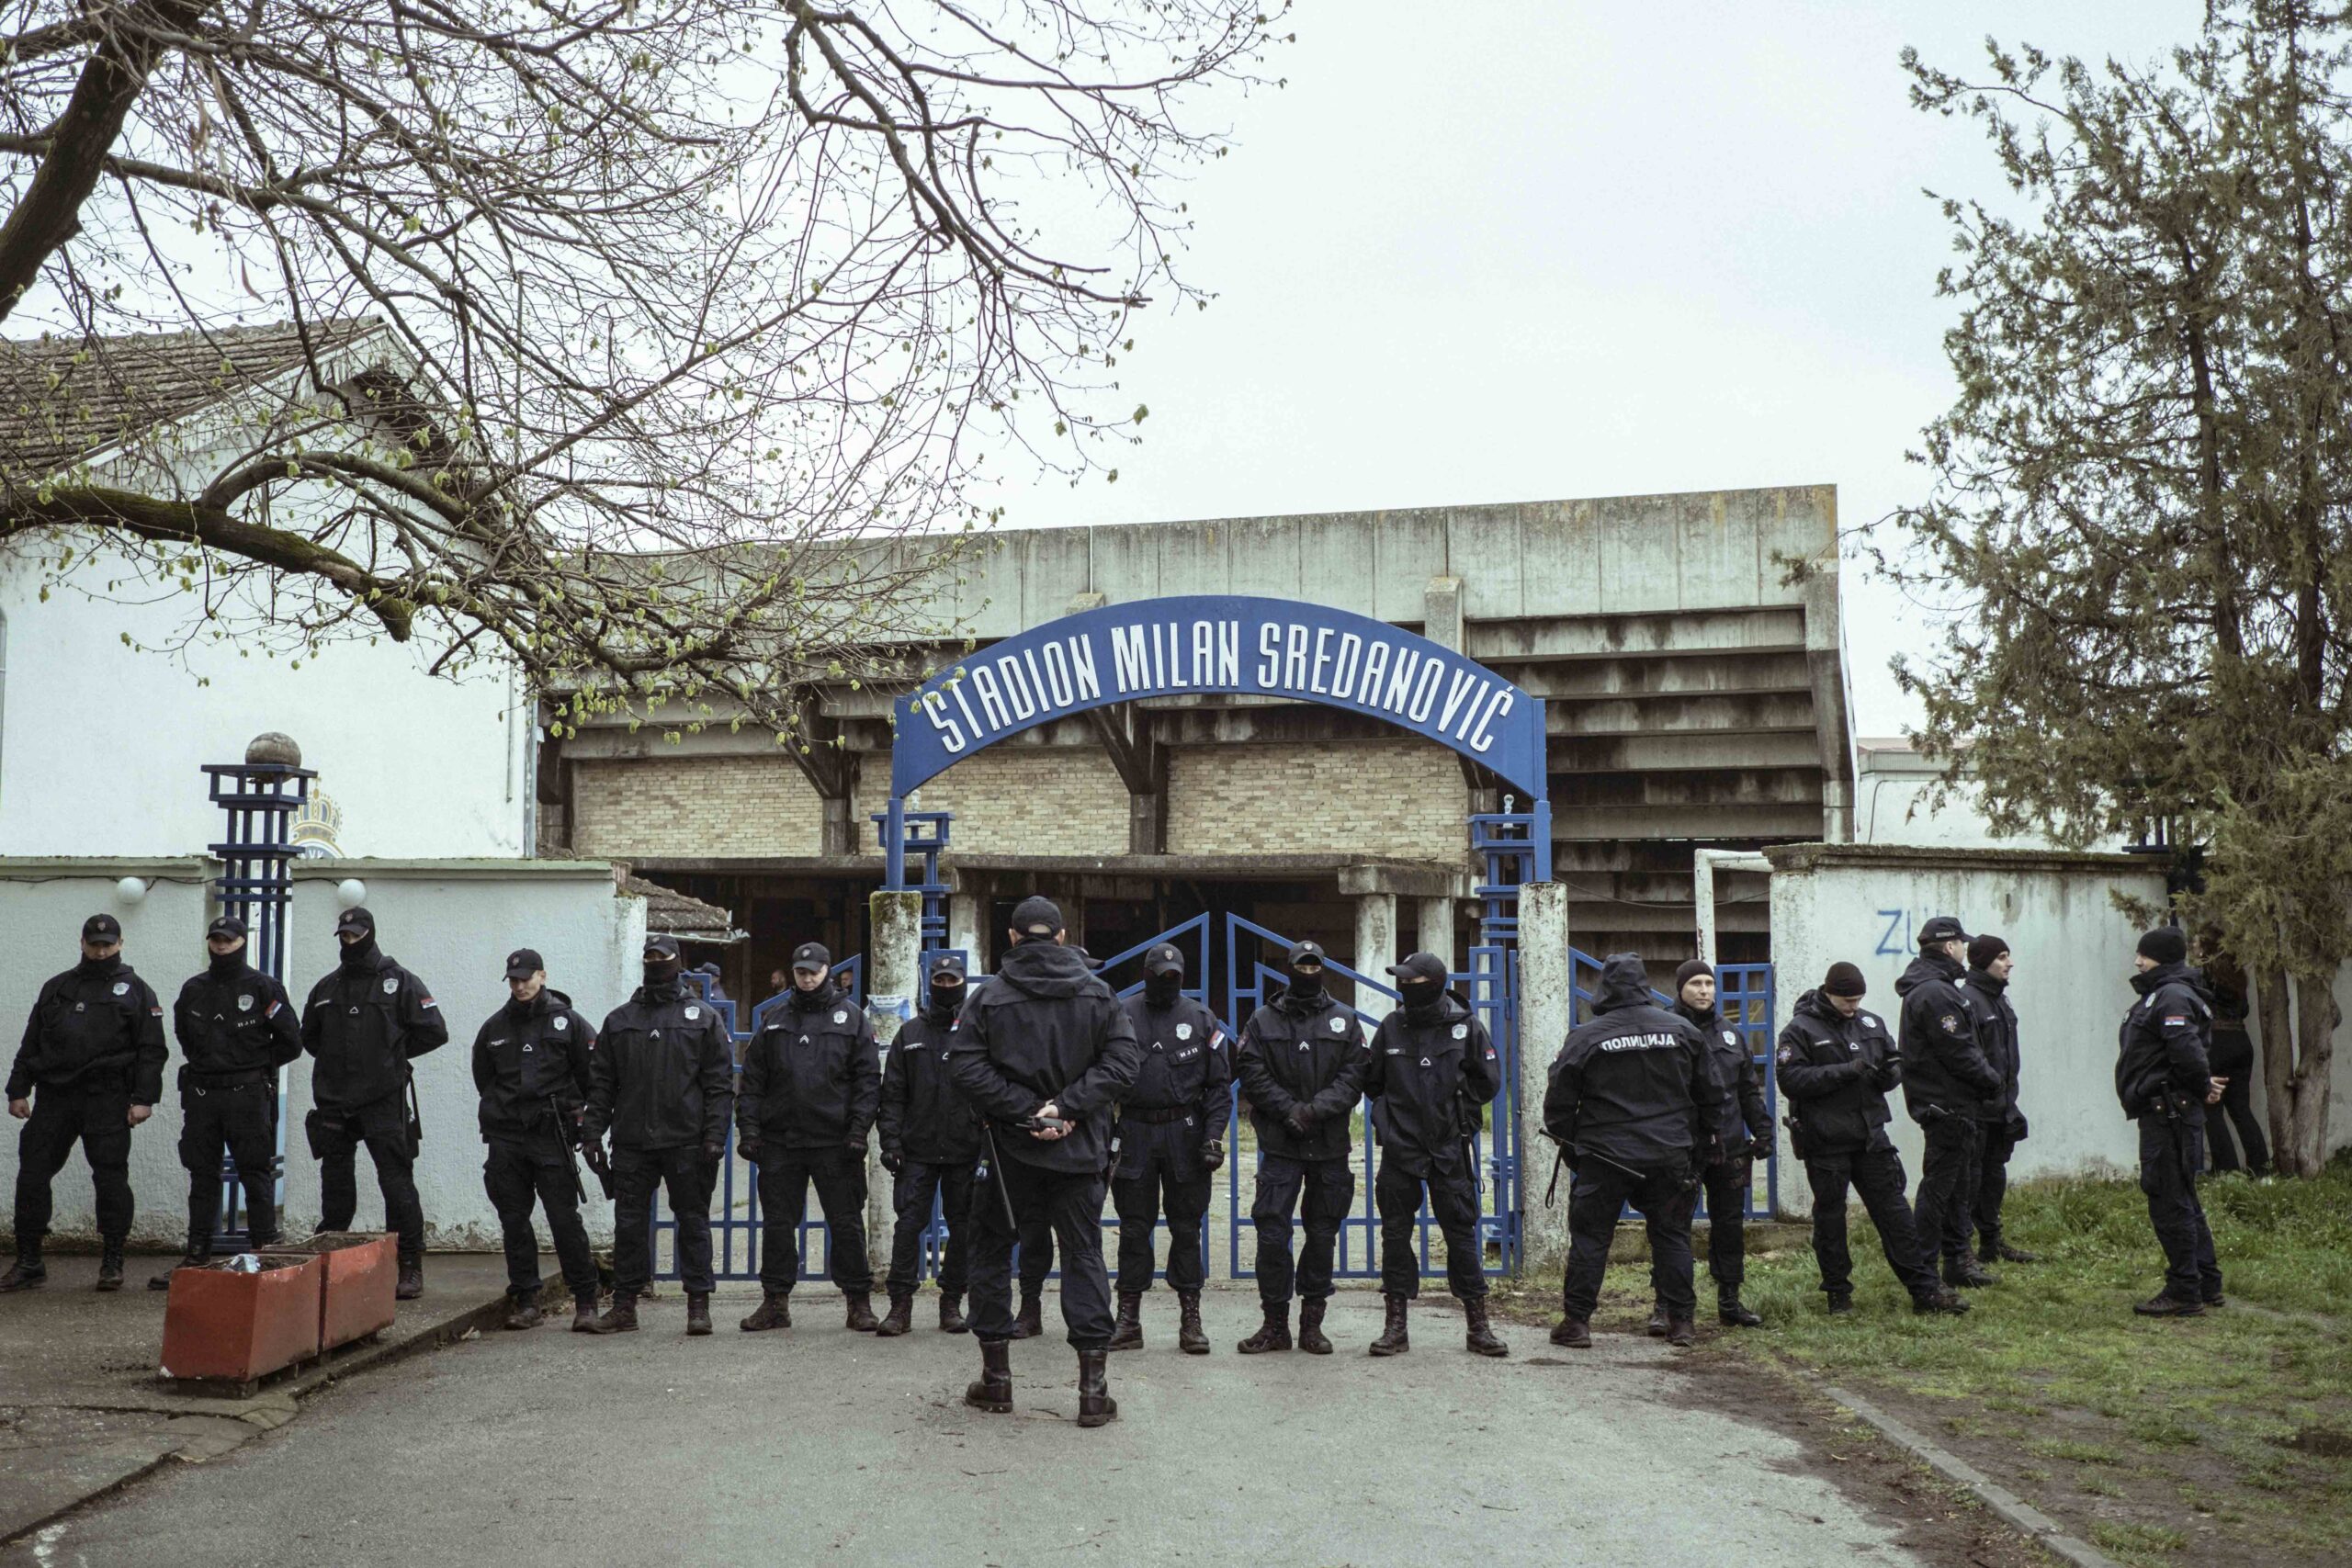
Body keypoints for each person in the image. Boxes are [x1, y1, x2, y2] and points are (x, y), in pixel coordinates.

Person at [950, 896, 1139, 1427]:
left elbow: (965, 1069)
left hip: (1008, 1152)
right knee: (1083, 1255)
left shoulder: (988, 998)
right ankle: (1092, 1391)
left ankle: (997, 1380)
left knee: (990, 1252)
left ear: (1011, 938)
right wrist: (1065, 1108)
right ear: (1060, 938)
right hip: (1077, 1153)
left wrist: (1027, 1112)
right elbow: (1124, 1064)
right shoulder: (1100, 995)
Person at [1542, 953, 1714, 1348]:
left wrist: (1576, 1151)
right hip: (1670, 1153)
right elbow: (1711, 1097)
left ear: (1606, 986)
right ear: (1644, 985)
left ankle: (1578, 1323)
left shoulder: (1586, 1036)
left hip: (1605, 1156)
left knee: (1590, 1237)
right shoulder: (1683, 1031)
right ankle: (1682, 1322)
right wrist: (1697, 1149)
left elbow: (1558, 1106)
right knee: (1672, 1237)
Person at [1776, 962, 1966, 1316]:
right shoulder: (1799, 1030)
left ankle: (1924, 1290)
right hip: (1826, 1140)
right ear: (1828, 992)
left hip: (1871, 1137)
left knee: (1895, 1215)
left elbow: (1896, 1060)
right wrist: (1845, 1072)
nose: (1852, 1006)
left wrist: (1888, 1075)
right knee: (1831, 1219)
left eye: (1858, 999)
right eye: (1846, 1000)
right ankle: (1838, 1293)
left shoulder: (1870, 1023)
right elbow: (1791, 1079)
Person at [3, 914, 166, 1292]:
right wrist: (17, 1089)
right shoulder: (58, 987)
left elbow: (151, 1051)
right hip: (56, 1096)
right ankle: (29, 1261)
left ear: (120, 944)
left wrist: (143, 1099)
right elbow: (32, 1042)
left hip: (106, 1097)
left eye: (108, 943)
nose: (101, 949)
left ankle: (112, 1260)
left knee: (110, 1178)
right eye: (94, 943)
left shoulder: (137, 990)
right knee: (32, 1175)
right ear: (82, 943)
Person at [582, 934, 734, 1336]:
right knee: (629, 1226)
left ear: (677, 963)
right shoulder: (621, 1020)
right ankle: (625, 1306)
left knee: (694, 1223)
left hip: (686, 1141)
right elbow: (601, 1085)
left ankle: (698, 1306)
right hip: (632, 1141)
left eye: (661, 958)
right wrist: (592, 1136)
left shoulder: (702, 1018)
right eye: (649, 958)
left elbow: (719, 1085)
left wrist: (715, 1136)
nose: (655, 964)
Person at [1363, 952, 1506, 1358]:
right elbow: (1373, 1082)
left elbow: (1489, 1080)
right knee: (1395, 1236)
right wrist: (1389, 1122)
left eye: (1414, 982)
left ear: (1435, 984)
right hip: (1401, 1150)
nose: (1406, 988)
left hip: (1448, 1149)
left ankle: (1479, 1326)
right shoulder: (1392, 1027)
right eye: (1402, 982)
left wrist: (1460, 1112)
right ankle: (1395, 1327)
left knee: (1461, 1236)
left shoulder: (1465, 1027)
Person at [300, 907, 446, 1301]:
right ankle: (333, 1260)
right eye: (344, 936)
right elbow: (309, 1038)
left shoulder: (399, 982)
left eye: (355, 935)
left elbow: (435, 1031)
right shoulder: (327, 988)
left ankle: (409, 1264)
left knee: (396, 1183)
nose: (350, 942)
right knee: (336, 1185)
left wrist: (391, 1058)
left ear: (370, 933)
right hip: (335, 1101)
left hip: (382, 1100)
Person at [1234, 940, 1372, 1356]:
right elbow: (1250, 1071)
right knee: (1272, 1235)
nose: (1308, 973)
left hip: (1329, 1146)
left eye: (1315, 966)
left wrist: (1312, 1113)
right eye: (1301, 966)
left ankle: (1312, 1324)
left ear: (1323, 969)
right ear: (1289, 969)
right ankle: (1274, 1324)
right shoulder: (1262, 1020)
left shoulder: (1344, 1020)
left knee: (1322, 1235)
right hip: (1280, 1145)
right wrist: (1288, 1110)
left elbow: (1355, 1076)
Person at [149, 916, 301, 1289]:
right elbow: (184, 1035)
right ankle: (197, 1254)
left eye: (227, 940)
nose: (220, 946)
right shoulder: (194, 989)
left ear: (241, 943)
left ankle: (265, 1253)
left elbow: (291, 1042)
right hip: (203, 1095)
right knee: (202, 1175)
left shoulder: (263, 987)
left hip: (246, 1095)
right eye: (215, 940)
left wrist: (251, 1066)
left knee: (255, 1173)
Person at [737, 941, 881, 1334]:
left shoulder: (851, 1019)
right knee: (778, 1225)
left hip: (834, 1142)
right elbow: (752, 1081)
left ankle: (858, 1303)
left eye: (813, 971)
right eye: (801, 971)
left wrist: (857, 1132)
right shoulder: (775, 1020)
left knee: (847, 1223)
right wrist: (749, 1130)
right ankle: (775, 1303)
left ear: (827, 971)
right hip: (781, 1142)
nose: (806, 977)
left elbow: (868, 1082)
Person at [1105, 943, 1230, 1356]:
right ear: (1147, 973)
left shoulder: (1199, 1018)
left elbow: (1217, 1088)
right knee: (1134, 1230)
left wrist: (1214, 1137)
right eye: (1160, 975)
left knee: (1186, 1229)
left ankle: (1190, 1319)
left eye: (1174, 975)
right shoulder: (1121, 1014)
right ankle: (1128, 1319)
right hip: (1136, 1131)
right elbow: (1102, 1081)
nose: (1167, 981)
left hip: (1185, 1134)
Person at [470, 948, 601, 1331]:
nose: (520, 985)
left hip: (550, 1135)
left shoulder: (568, 1022)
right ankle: (527, 1299)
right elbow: (485, 1079)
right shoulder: (494, 1027)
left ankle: (586, 1300)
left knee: (563, 1220)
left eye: (527, 978)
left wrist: (579, 1117)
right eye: (514, 979)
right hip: (507, 1136)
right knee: (514, 1220)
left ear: (542, 976)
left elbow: (592, 1075)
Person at [2116, 926, 2225, 1316]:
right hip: (2168, 1110)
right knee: (2182, 1197)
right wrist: (2200, 1086)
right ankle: (2205, 1280)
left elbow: (2186, 1051)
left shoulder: (2173, 995)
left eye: (2143, 955)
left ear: (2159, 957)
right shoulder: (2162, 994)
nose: (2137, 961)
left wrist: (2200, 1086)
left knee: (2168, 1198)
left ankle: (2184, 1289)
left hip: (2169, 1113)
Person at [1895, 915, 2004, 1291]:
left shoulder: (1937, 987)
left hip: (1954, 1104)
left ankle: (1957, 1261)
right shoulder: (1936, 993)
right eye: (1962, 943)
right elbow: (1959, 1050)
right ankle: (1927, 1269)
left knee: (1959, 1187)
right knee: (1940, 1190)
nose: (1965, 950)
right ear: (1948, 947)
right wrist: (1991, 1081)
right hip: (1946, 1105)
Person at [876, 952, 980, 1337]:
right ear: (930, 983)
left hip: (964, 1149)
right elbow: (893, 1095)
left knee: (964, 1228)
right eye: (941, 981)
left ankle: (951, 1303)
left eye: (954, 982)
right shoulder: (910, 1034)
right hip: (916, 1150)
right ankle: (899, 1306)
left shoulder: (976, 1031)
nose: (947, 987)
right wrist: (891, 1141)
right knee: (908, 1228)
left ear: (963, 983)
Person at [1669, 958, 1770, 1329]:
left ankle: (1730, 1299)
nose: (1704, 991)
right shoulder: (1669, 1029)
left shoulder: (1731, 1034)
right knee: (1672, 1225)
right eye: (1695, 983)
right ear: (1680, 988)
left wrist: (1763, 1130)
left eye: (1709, 984)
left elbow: (1748, 1089)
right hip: (1683, 1145)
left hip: (1729, 1145)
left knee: (1729, 1224)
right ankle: (1666, 1304)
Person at [1962, 935, 2037, 1267]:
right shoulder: (1967, 1000)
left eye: (2009, 956)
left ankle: (1991, 1243)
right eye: (2002, 957)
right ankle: (1960, 1249)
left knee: (1994, 1175)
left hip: (2002, 1108)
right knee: (1969, 1179)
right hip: (1976, 1109)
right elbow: (1968, 1059)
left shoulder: (2000, 1001)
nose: (2010, 963)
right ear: (1982, 962)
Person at [2199, 954, 2269, 1177]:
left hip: (2216, 1042)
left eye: (2199, 946)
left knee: (2212, 1109)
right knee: (2241, 1109)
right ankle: (2261, 1170)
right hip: (2240, 1040)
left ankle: (2226, 1170)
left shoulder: (2204, 976)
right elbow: (2245, 1010)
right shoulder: (2237, 975)